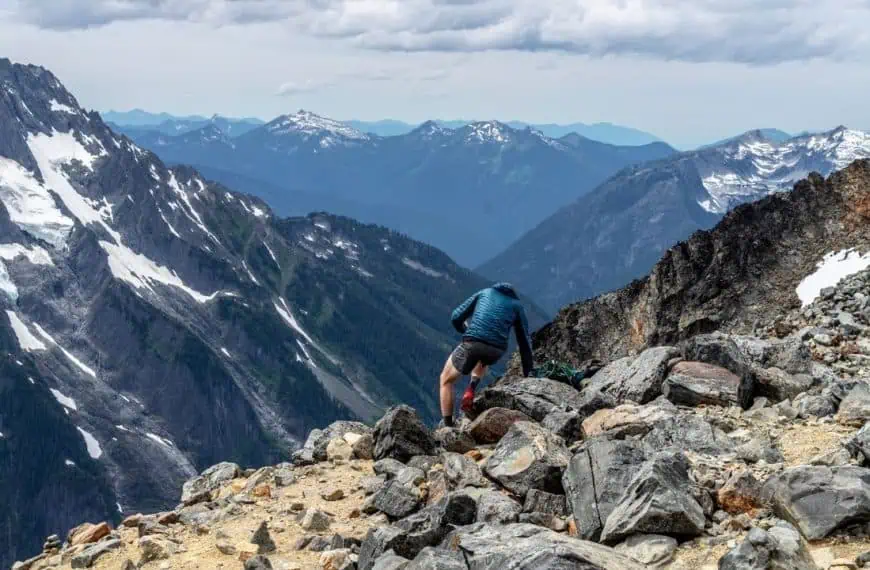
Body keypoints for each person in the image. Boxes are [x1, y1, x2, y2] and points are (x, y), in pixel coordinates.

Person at [439, 282, 533, 427]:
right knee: (483, 359)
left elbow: (456, 317)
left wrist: (465, 331)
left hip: (473, 343)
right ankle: (471, 388)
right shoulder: (517, 306)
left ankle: (448, 426)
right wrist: (529, 373)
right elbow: (524, 342)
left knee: (446, 380)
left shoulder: (485, 292)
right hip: (496, 350)